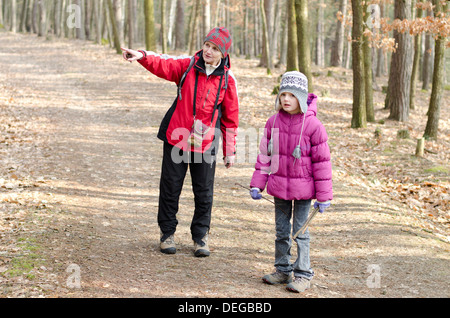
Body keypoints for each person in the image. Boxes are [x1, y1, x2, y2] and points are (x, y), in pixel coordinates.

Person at [121, 27, 239, 257]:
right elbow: (163, 63)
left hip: (206, 143)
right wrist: (142, 56)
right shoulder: (187, 66)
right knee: (170, 186)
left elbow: (230, 118)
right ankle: (167, 234)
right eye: (207, 45)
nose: (208, 51)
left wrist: (230, 150)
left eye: (215, 49)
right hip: (177, 136)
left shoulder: (227, 80)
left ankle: (200, 236)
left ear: (223, 54)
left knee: (204, 191)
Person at [249, 71, 332, 293]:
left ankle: (303, 274)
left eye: (292, 95)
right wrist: (258, 183)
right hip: (279, 188)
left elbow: (322, 164)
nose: (286, 99)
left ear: (302, 98)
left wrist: (324, 197)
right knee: (281, 231)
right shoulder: (273, 121)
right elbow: (264, 156)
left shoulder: (314, 126)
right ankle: (283, 269)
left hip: (304, 191)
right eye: (283, 94)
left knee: (300, 233)